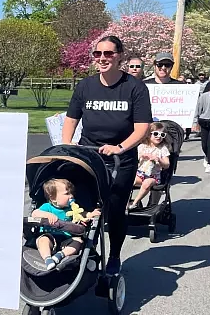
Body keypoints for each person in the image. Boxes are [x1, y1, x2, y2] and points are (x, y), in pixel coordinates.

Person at [62, 35, 152, 275]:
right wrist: (66, 145)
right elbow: (72, 119)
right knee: (79, 204)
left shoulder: (135, 88)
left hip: (120, 158)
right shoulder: (85, 86)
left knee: (114, 208)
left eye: (108, 54)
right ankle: (81, 248)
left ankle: (114, 256)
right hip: (89, 154)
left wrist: (120, 147)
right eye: (98, 54)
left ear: (119, 55)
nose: (102, 59)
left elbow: (142, 128)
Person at [31, 178, 100, 270]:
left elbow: (82, 214)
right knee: (43, 240)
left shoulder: (71, 209)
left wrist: (90, 214)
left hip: (66, 240)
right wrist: (47, 215)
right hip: (50, 237)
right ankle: (47, 258)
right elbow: (34, 214)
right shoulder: (47, 207)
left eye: (71, 193)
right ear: (52, 197)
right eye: (67, 193)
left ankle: (60, 255)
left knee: (78, 242)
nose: (71, 196)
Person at [129, 122, 171, 210]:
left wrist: (159, 160)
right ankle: (125, 201)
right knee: (127, 181)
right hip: (140, 173)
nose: (158, 136)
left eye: (162, 135)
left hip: (153, 176)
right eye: (156, 134)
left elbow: (167, 164)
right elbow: (134, 160)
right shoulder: (142, 146)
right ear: (149, 135)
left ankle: (135, 202)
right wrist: (141, 156)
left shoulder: (163, 149)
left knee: (147, 183)